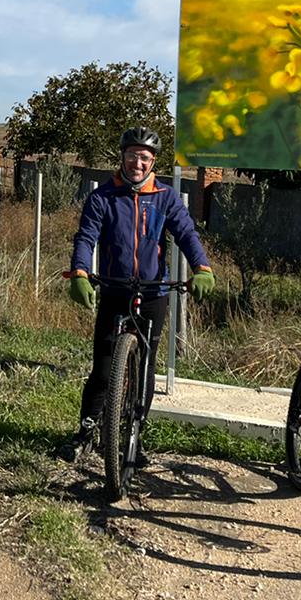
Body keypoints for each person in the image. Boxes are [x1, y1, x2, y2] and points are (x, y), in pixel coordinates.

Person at [62, 127, 216, 462]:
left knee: (145, 367)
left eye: (144, 157)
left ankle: (134, 436)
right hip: (115, 289)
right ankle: (85, 432)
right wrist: (80, 273)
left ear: (153, 162)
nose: (137, 162)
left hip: (152, 293)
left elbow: (187, 234)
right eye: (132, 155)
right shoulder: (103, 196)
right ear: (123, 157)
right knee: (103, 368)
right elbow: (86, 237)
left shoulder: (165, 197)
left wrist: (201, 268)